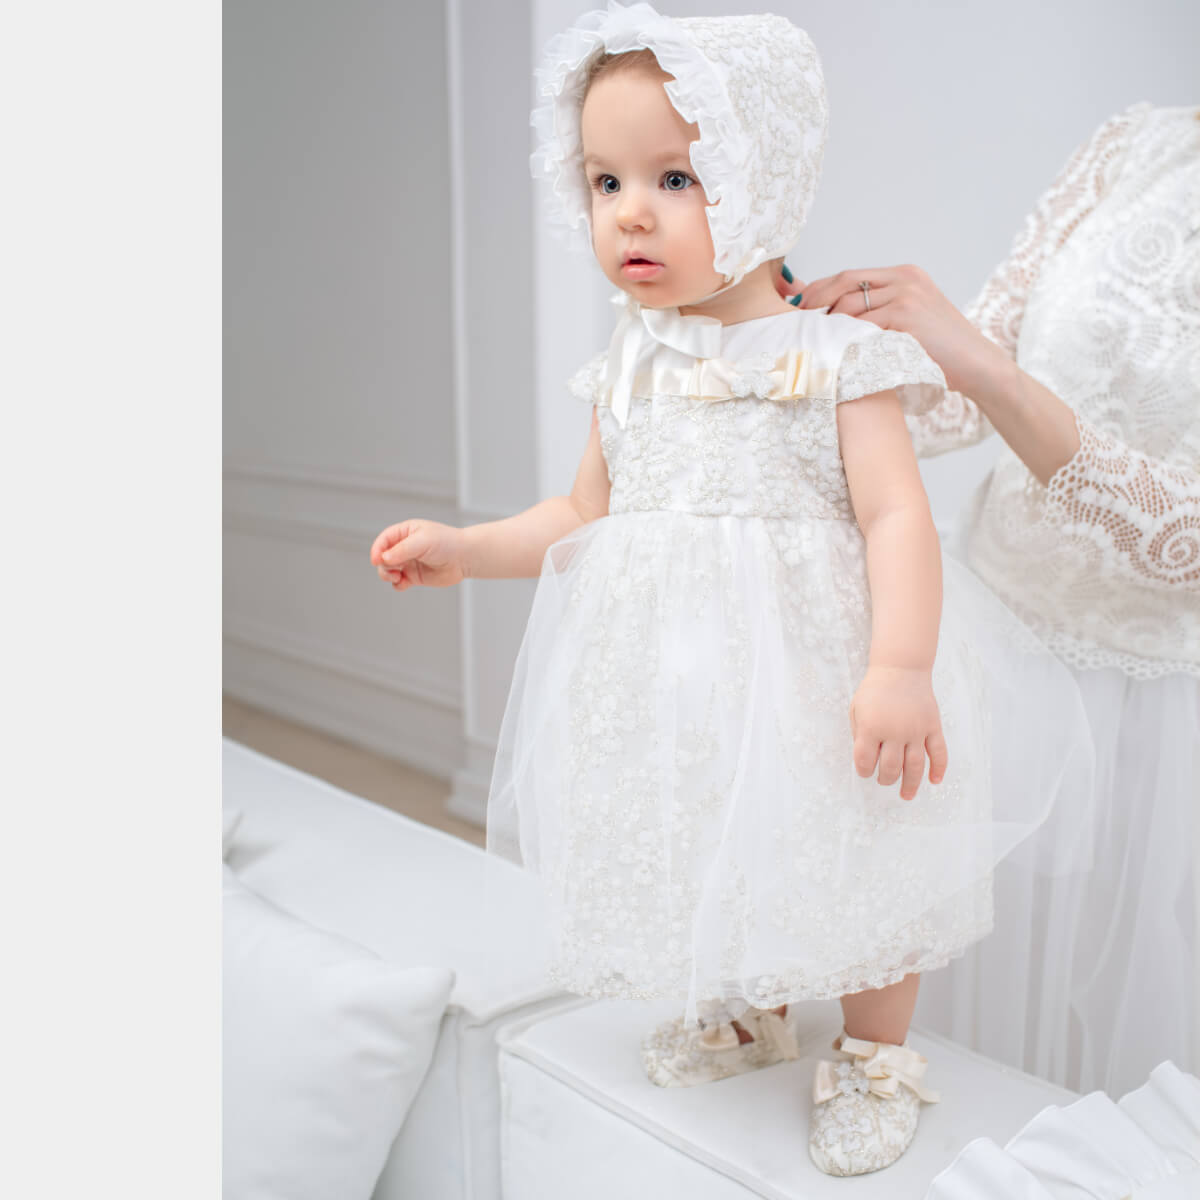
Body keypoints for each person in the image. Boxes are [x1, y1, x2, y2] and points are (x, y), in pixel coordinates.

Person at [370, 3, 1089, 1176]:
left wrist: (900, 666)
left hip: (821, 671)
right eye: (606, 182)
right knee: (713, 830)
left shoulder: (834, 356)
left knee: (859, 853)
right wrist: (467, 546)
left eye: (677, 177)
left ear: (764, 182)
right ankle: (752, 1004)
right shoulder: (627, 363)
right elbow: (582, 515)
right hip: (678, 671)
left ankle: (870, 1052)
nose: (631, 211)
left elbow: (895, 514)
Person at [785, 104, 1199, 1098]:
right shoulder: (1137, 143)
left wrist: (984, 365)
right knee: (951, 1029)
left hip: (1158, 729)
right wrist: (821, 366)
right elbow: (964, 388)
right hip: (998, 670)